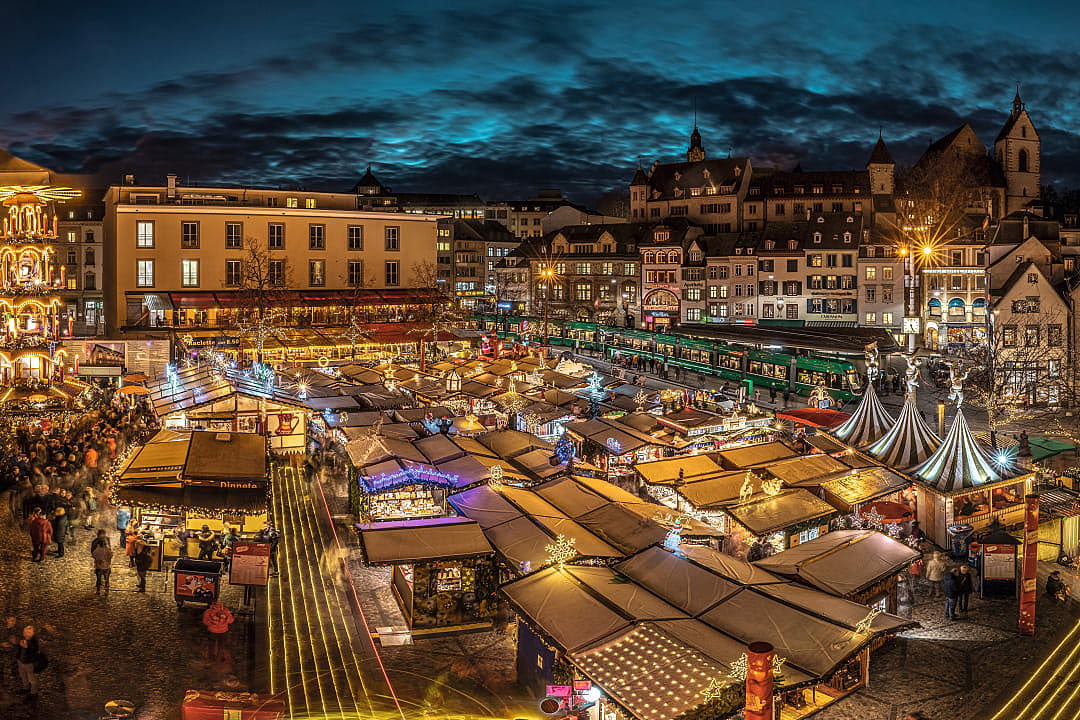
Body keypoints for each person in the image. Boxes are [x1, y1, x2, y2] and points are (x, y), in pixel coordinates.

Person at [15, 624, 41, 700]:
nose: (26, 634)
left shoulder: (34, 640)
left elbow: (35, 650)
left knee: (32, 678)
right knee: (23, 676)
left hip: (29, 663)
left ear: (33, 633)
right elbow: (20, 649)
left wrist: (27, 646)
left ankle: (34, 693)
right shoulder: (23, 638)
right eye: (25, 632)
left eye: (29, 633)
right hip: (21, 661)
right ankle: (25, 688)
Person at [91, 530, 113, 595]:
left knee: (99, 579)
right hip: (106, 566)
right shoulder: (107, 550)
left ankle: (98, 590)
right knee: (106, 579)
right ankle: (106, 590)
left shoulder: (96, 550)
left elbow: (93, 555)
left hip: (99, 566)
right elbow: (110, 555)